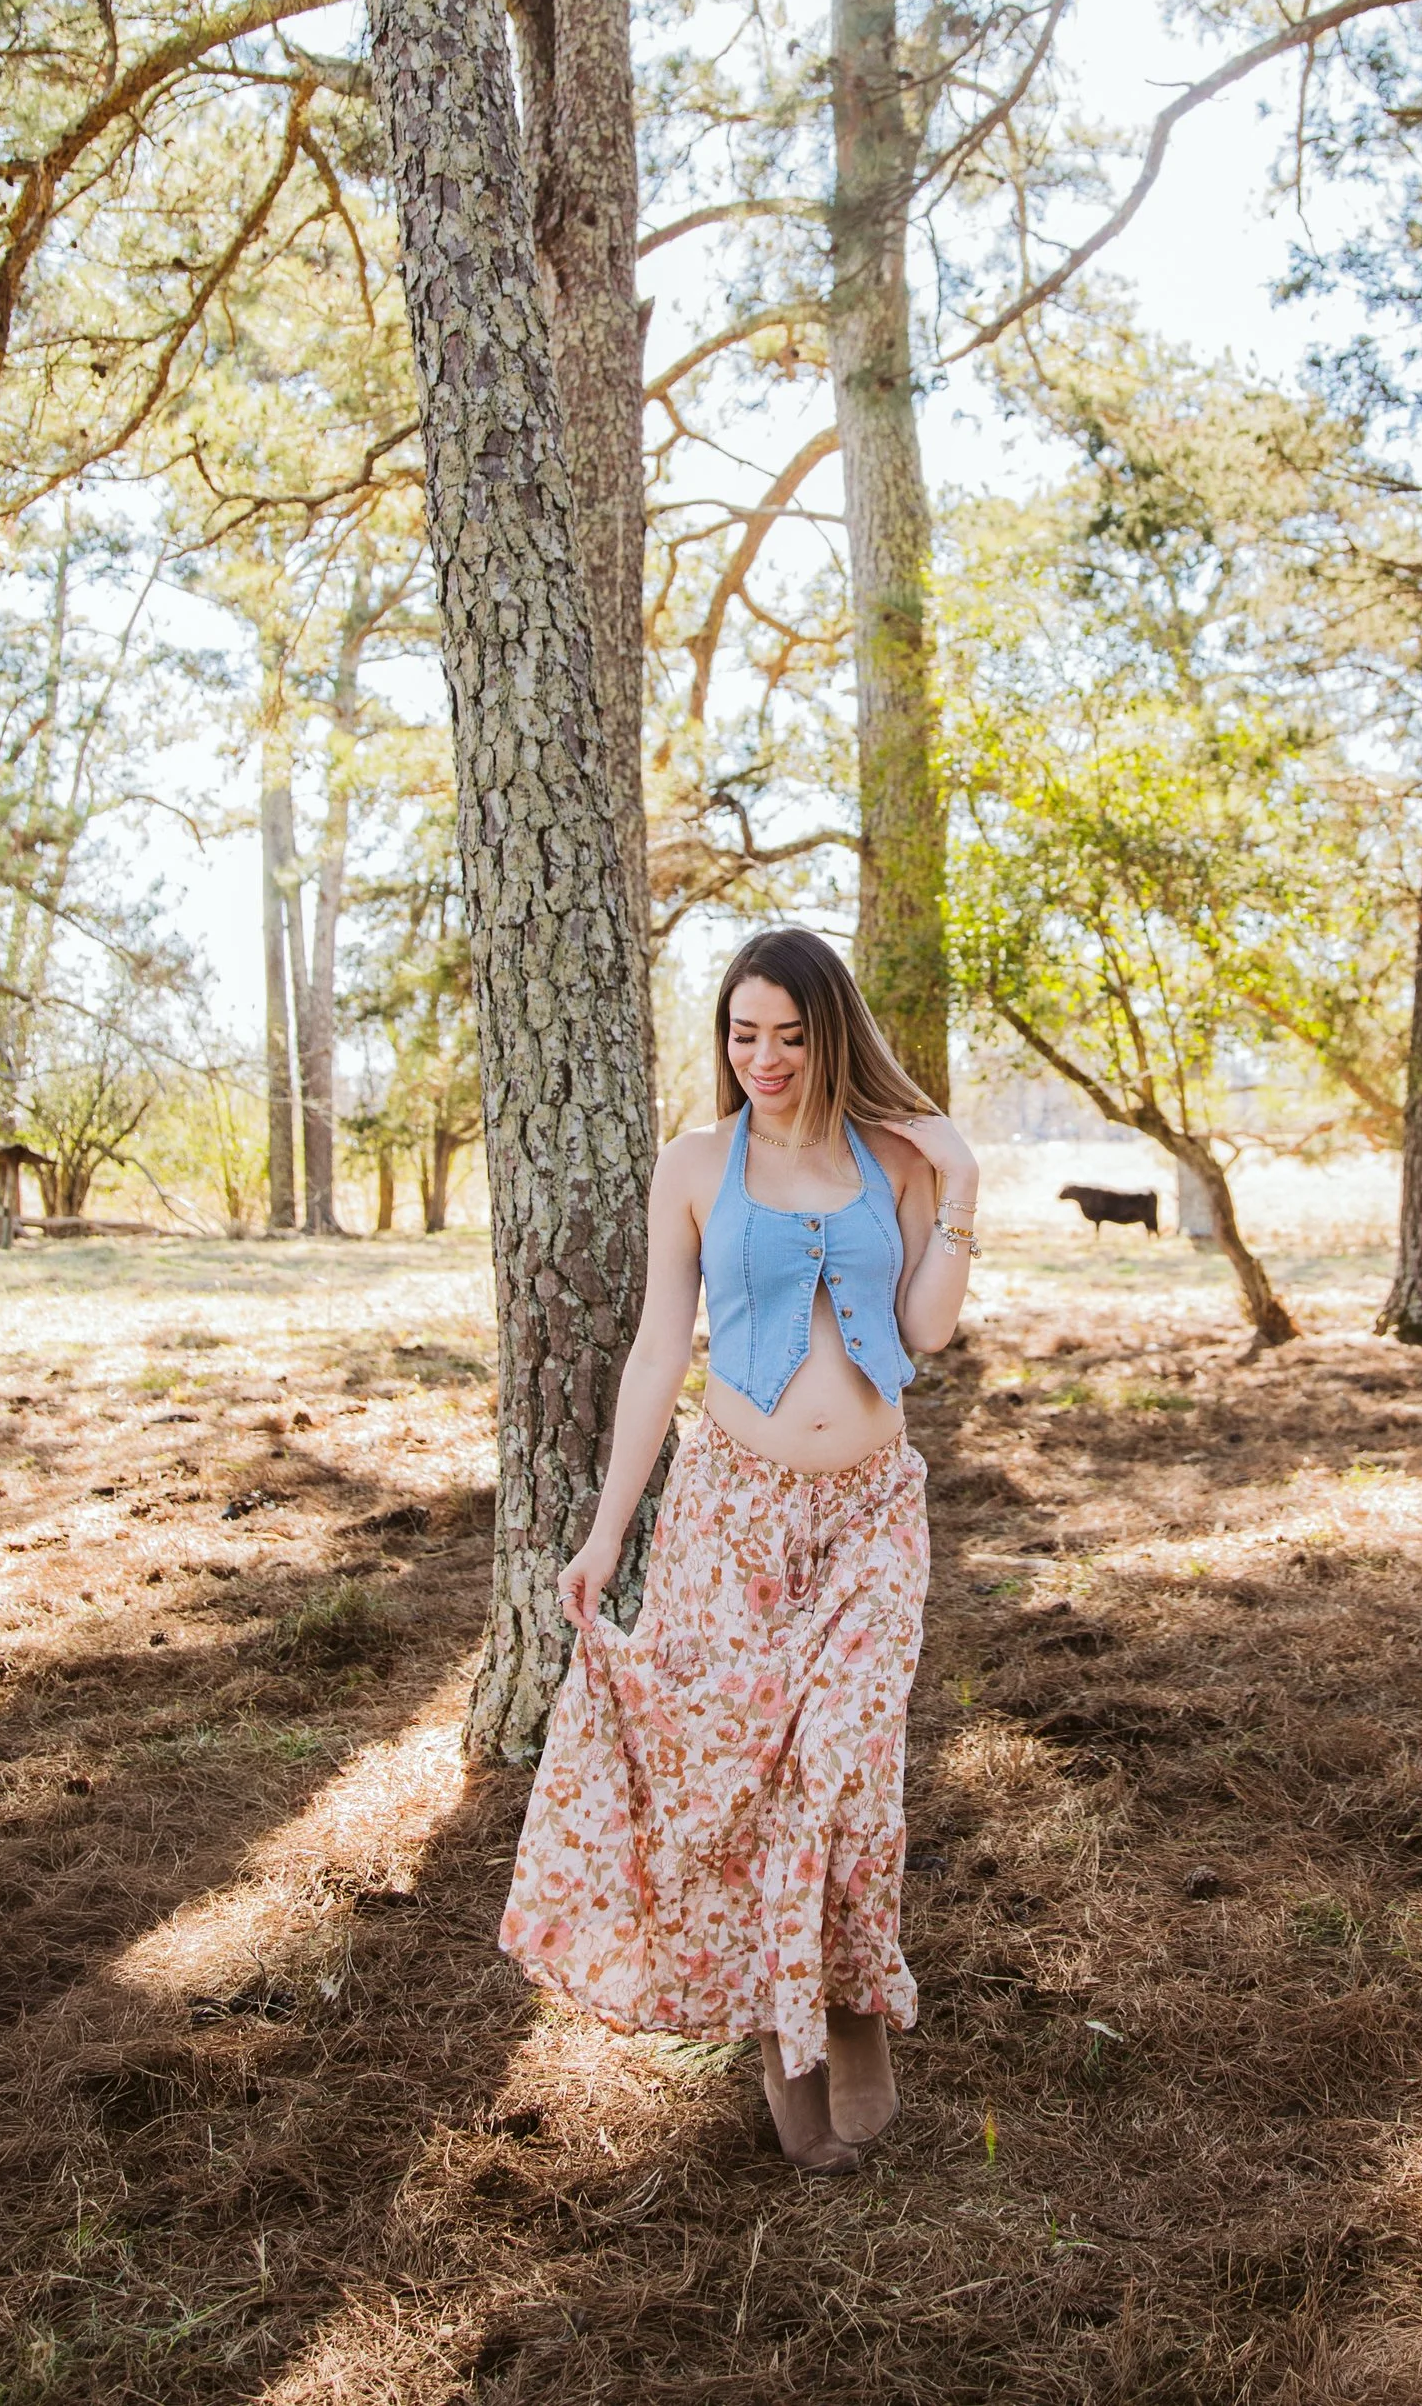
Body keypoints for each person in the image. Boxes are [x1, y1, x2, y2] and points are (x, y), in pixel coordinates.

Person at [499, 926, 980, 2176]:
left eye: (789, 1032)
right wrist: (608, 1530)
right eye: (740, 1032)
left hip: (872, 1513)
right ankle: (787, 2026)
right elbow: (661, 1349)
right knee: (753, 1777)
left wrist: (961, 1190)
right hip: (727, 1514)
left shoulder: (895, 1158)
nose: (762, 1057)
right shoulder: (697, 1165)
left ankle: (858, 1997)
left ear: (833, 1033)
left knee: (851, 1766)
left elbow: (922, 1331)